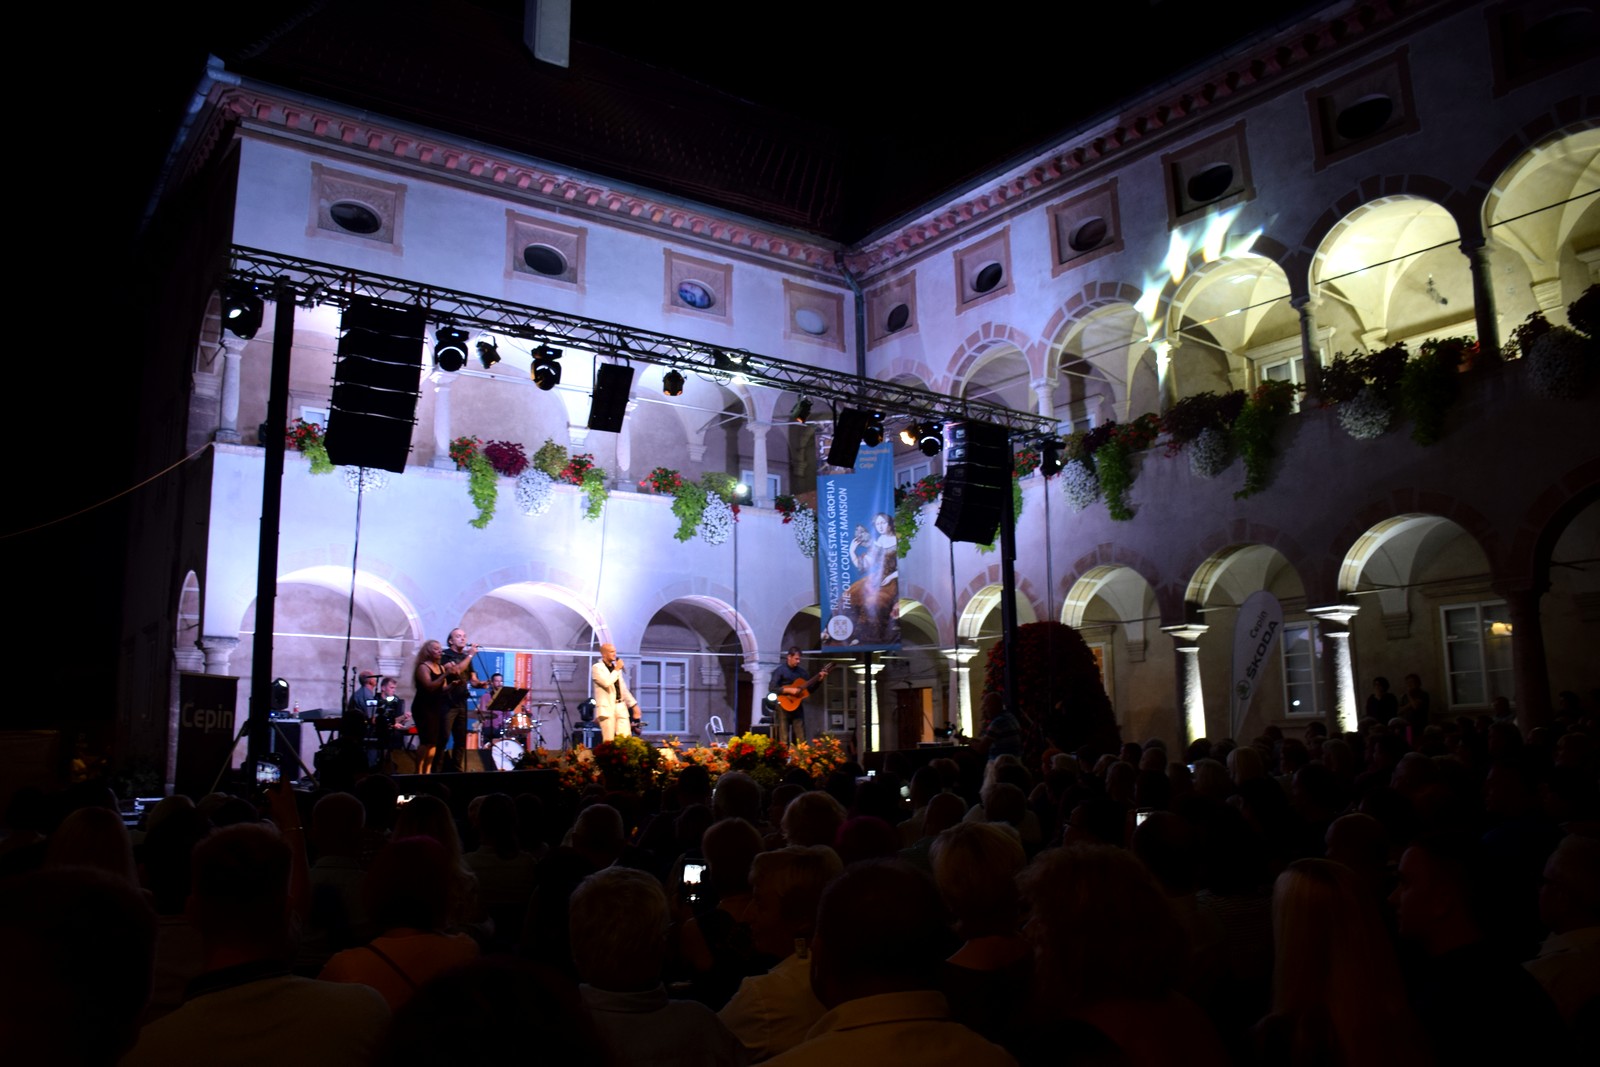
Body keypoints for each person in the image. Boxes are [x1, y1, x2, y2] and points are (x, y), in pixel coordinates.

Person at [843, 512, 897, 645]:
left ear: (889, 523)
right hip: (878, 578)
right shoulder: (879, 542)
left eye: (883, 522)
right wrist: (852, 552)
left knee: (874, 601)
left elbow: (905, 565)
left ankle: (865, 637)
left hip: (894, 580)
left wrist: (891, 576)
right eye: (877, 524)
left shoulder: (898, 539)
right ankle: (846, 634)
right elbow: (865, 564)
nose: (880, 526)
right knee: (850, 595)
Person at [768, 647, 832, 744]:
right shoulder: (780, 671)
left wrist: (819, 681)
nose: (798, 661)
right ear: (789, 657)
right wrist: (789, 690)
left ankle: (802, 753)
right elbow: (772, 688)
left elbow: (809, 690)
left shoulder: (802, 673)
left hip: (797, 705)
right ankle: (784, 752)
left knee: (801, 736)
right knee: (784, 735)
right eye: (796, 659)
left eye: (799, 659)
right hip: (783, 705)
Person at [441, 628, 480, 769]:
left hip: (462, 702)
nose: (462, 639)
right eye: (458, 636)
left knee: (461, 739)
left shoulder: (466, 657)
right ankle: (437, 769)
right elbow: (455, 671)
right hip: (447, 702)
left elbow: (473, 680)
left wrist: (480, 684)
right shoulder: (445, 655)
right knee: (443, 737)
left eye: (464, 636)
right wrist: (470, 655)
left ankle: (457, 769)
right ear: (451, 641)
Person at [412, 640, 450, 775]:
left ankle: (427, 771)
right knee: (426, 740)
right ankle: (418, 771)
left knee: (434, 742)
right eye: (436, 649)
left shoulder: (441, 668)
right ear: (428, 651)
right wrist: (446, 674)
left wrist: (453, 685)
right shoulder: (423, 667)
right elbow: (430, 686)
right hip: (423, 707)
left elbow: (442, 689)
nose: (440, 651)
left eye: (440, 648)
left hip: (436, 708)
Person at [591, 643, 640, 742]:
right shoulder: (597, 668)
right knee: (609, 740)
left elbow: (623, 689)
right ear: (604, 654)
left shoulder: (616, 670)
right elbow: (606, 683)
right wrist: (617, 669)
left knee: (626, 739)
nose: (614, 654)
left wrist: (634, 706)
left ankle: (625, 751)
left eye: (615, 651)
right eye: (611, 652)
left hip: (620, 705)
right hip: (607, 707)